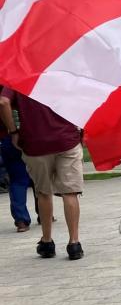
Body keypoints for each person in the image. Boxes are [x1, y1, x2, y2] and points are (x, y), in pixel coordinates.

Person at [0, 89, 86, 260]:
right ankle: (74, 243)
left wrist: (13, 132)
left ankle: (47, 242)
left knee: (43, 193)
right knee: (70, 193)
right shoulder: (59, 72)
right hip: (66, 139)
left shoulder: (18, 77)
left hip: (35, 144)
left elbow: (3, 102)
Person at [1, 119, 34, 232]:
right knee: (39, 176)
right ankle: (45, 214)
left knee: (17, 179)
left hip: (6, 137)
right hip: (31, 133)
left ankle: (21, 220)